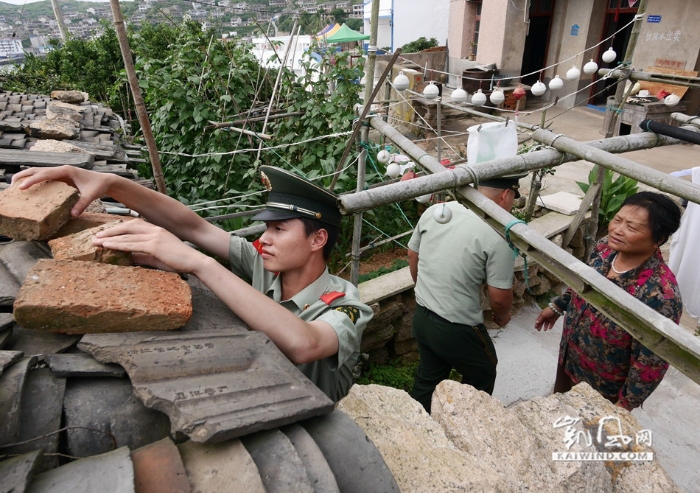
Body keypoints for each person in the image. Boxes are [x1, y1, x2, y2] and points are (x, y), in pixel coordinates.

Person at [13, 165, 372, 402]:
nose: (265, 239)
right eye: (265, 228)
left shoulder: (346, 305)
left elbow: (304, 344)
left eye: (279, 229)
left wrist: (198, 263)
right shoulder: (267, 265)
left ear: (317, 239)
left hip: (307, 418)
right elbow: (193, 227)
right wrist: (111, 183)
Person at [535, 191, 682, 410]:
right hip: (570, 356)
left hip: (604, 385)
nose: (617, 230)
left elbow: (651, 362)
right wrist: (559, 306)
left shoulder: (660, 295)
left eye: (631, 228)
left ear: (658, 239)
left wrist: (625, 404)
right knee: (560, 411)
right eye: (618, 220)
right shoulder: (605, 248)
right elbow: (581, 282)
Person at [407, 172, 526, 413]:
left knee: (428, 378)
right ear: (505, 194)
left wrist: (424, 289)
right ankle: (467, 423)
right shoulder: (498, 234)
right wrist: (501, 318)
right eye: (513, 197)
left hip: (422, 316)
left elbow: (412, 255)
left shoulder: (436, 211)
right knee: (483, 372)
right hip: (457, 327)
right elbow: (500, 296)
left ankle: (416, 425)